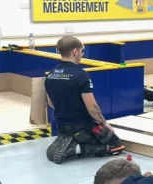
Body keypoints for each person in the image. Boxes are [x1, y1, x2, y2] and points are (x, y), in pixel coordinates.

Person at [44, 36, 124, 164]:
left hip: (62, 126)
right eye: (82, 51)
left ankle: (70, 140)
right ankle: (76, 148)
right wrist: (104, 123)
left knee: (77, 132)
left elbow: (50, 103)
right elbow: (92, 108)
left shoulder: (50, 75)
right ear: (75, 52)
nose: (82, 54)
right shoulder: (81, 75)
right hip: (81, 127)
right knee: (116, 145)